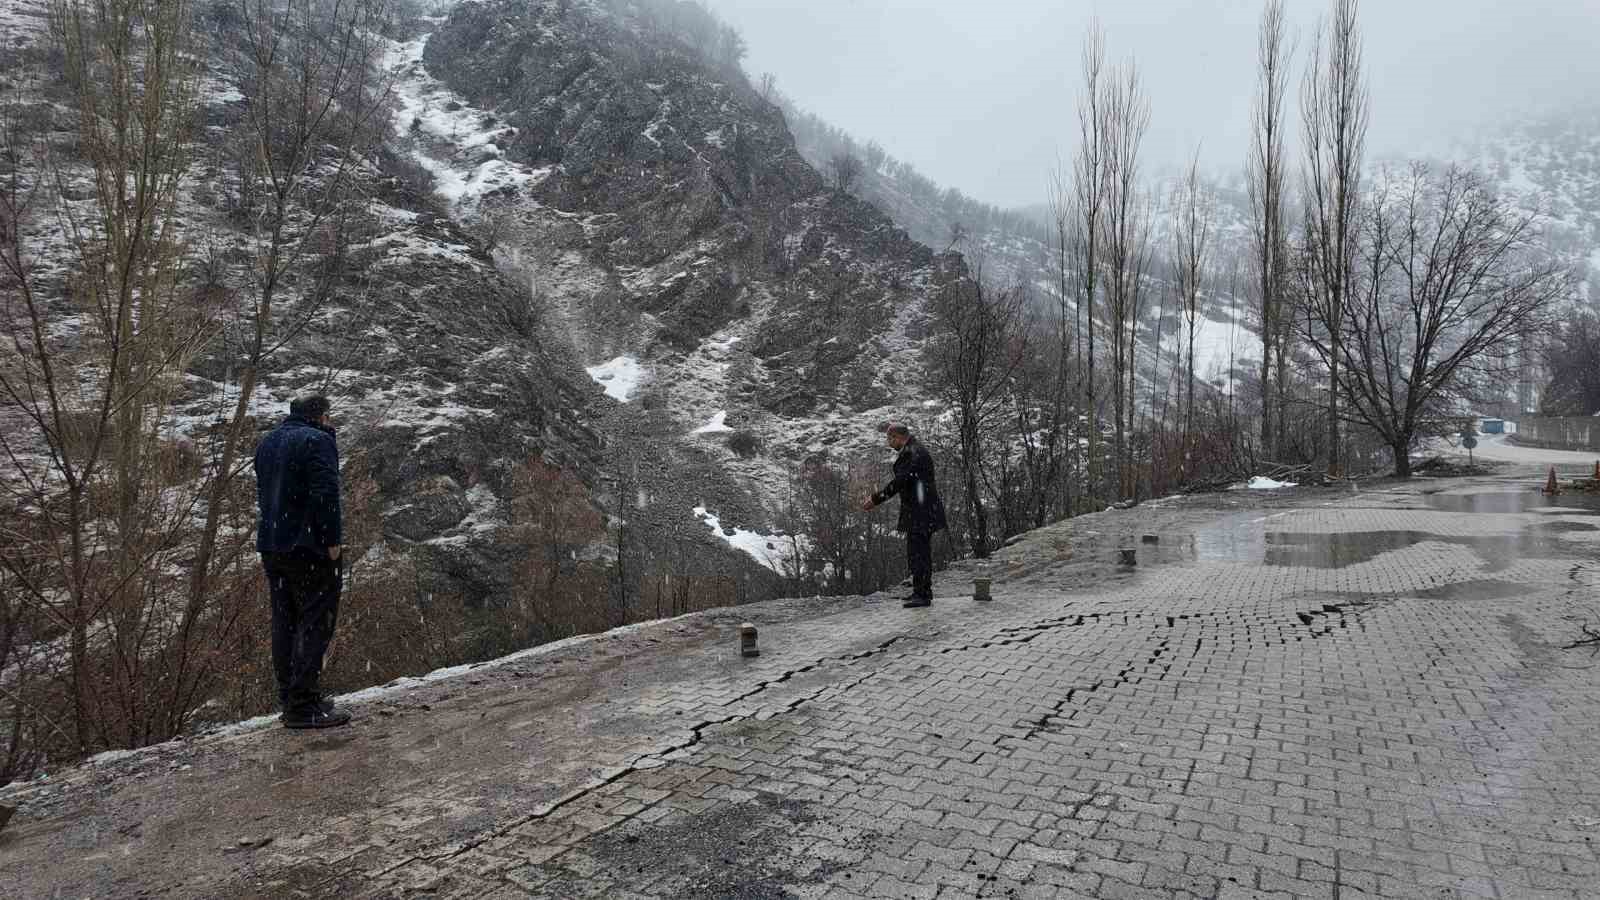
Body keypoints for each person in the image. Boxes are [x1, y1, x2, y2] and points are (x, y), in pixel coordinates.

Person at [254, 395, 350, 729]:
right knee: (315, 623)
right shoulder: (317, 440)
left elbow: (267, 493)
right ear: (323, 416)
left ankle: (292, 697)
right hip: (309, 547)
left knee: (285, 623)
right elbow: (326, 492)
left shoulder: (269, 441)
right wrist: (332, 540)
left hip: (273, 545)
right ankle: (303, 704)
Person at [861, 423, 947, 607]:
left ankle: (922, 594)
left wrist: (876, 499)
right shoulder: (915, 450)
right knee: (918, 553)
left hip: (921, 512)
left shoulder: (912, 453)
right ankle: (921, 591)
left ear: (896, 437)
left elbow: (900, 481)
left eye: (889, 439)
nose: (889, 444)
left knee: (919, 554)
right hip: (923, 510)